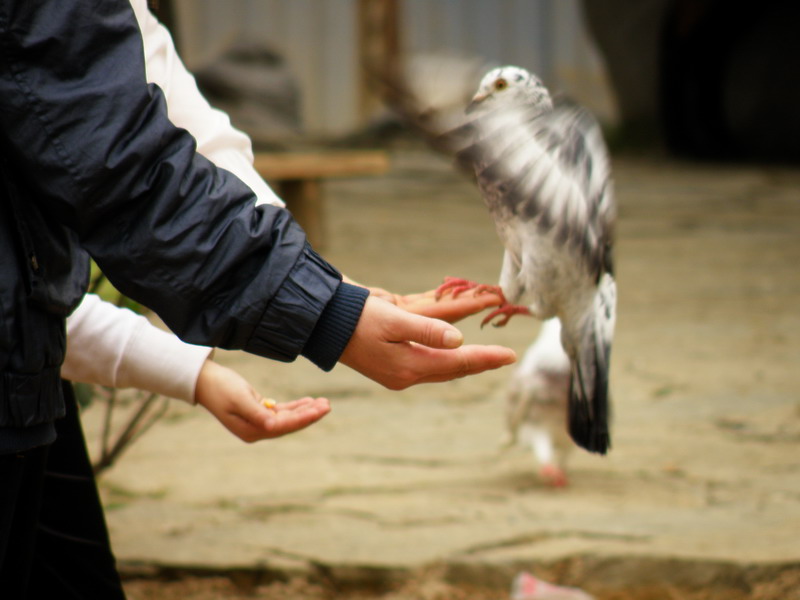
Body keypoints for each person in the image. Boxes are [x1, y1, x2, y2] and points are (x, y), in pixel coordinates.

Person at [0, 1, 514, 597]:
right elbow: (117, 162)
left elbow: (150, 86)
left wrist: (319, 286)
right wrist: (322, 311)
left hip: (27, 365)